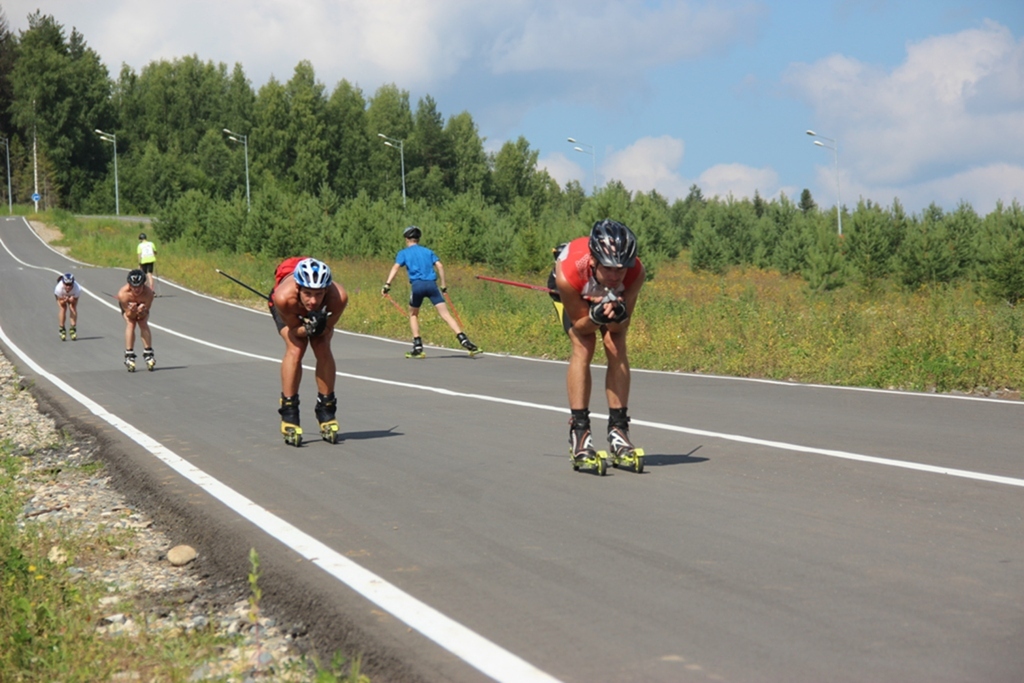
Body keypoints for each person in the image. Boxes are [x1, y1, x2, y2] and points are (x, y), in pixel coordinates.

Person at [548, 219, 646, 465]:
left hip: (602, 296)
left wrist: (619, 315)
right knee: (584, 345)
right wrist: (595, 315)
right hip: (575, 289)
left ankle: (619, 431)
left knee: (615, 344)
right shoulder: (568, 273)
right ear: (593, 261)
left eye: (620, 269)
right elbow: (581, 326)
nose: (615, 276)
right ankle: (580, 432)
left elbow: (620, 327)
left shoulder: (635, 273)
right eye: (609, 268)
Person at [269, 257, 348, 445]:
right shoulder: (283, 297)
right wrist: (308, 329)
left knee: (322, 346)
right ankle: (289, 410)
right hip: (290, 311)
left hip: (322, 315)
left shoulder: (339, 297)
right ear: (298, 289)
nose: (313, 301)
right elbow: (295, 330)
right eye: (307, 293)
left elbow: (327, 331)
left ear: (326, 290)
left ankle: (326, 408)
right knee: (296, 347)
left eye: (319, 294)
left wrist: (321, 326)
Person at [381, 225, 480, 358]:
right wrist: (443, 285)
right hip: (432, 285)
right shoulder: (428, 251)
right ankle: (465, 341)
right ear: (418, 238)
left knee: (413, 314)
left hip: (417, 285)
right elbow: (440, 265)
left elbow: (395, 268)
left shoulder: (403, 253)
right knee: (445, 314)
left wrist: (387, 285)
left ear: (406, 239)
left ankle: (417, 346)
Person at [116, 269, 156, 371]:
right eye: (134, 287)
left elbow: (144, 314)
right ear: (129, 285)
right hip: (128, 309)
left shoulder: (149, 294)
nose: (136, 289)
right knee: (131, 323)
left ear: (144, 284)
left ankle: (148, 352)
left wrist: (141, 311)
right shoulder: (123, 294)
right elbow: (129, 315)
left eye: (139, 286)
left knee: (142, 322)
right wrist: (133, 310)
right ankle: (129, 354)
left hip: (142, 308)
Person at [54, 272, 80, 341]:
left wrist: (72, 300)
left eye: (70, 285)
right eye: (66, 284)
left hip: (72, 295)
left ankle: (73, 328)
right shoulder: (58, 288)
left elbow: (75, 302)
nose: (68, 287)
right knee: (63, 308)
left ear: (73, 283)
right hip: (62, 295)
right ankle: (62, 328)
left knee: (73, 307)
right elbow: (61, 303)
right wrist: (64, 300)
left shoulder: (77, 289)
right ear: (63, 283)